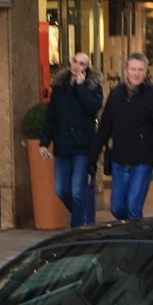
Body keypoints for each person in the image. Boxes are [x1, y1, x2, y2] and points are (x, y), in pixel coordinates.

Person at [90, 53, 153, 221]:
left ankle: (135, 243)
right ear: (126, 72)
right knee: (116, 208)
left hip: (142, 162)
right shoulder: (116, 95)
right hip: (119, 160)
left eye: (140, 70)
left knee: (133, 207)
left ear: (145, 73)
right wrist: (93, 157)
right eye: (133, 69)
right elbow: (104, 129)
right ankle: (132, 232)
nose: (137, 73)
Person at [38, 51, 103, 228]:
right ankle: (80, 217)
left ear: (87, 68)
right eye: (75, 61)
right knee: (61, 189)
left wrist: (81, 87)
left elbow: (93, 107)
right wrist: (44, 143)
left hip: (82, 148)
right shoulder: (59, 87)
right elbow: (51, 117)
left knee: (76, 191)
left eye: (82, 64)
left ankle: (76, 228)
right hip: (63, 146)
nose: (77, 66)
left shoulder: (93, 86)